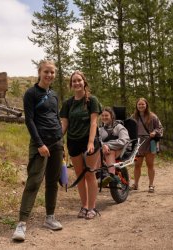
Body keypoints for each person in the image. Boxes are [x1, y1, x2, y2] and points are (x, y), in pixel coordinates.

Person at [12, 60, 64, 241]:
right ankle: (22, 224)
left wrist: (61, 142)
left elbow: (56, 117)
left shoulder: (54, 95)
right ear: (40, 72)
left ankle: (50, 218)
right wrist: (40, 144)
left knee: (52, 181)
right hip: (39, 144)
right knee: (34, 182)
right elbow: (29, 121)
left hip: (57, 143)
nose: (49, 75)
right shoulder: (31, 93)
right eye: (46, 72)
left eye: (52, 72)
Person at [60, 70, 102, 220]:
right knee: (79, 176)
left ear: (84, 82)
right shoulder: (67, 104)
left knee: (90, 174)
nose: (77, 83)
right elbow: (64, 125)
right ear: (71, 85)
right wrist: (58, 139)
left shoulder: (92, 101)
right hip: (73, 142)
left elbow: (94, 122)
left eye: (79, 80)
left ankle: (92, 207)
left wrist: (91, 142)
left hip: (89, 141)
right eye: (74, 81)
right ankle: (84, 206)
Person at [130, 97, 163, 193]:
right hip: (138, 143)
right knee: (137, 165)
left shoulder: (153, 116)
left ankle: (151, 185)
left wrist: (154, 132)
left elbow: (160, 128)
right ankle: (135, 184)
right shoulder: (133, 117)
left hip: (151, 143)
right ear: (137, 106)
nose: (141, 106)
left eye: (142, 104)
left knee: (150, 165)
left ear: (146, 105)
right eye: (139, 104)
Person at [99, 107, 130, 185]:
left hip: (120, 149)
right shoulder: (100, 129)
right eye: (102, 116)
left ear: (111, 116)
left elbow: (124, 140)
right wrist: (103, 146)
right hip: (104, 150)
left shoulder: (119, 127)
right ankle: (99, 174)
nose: (104, 117)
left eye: (106, 115)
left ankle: (111, 176)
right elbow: (98, 141)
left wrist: (107, 145)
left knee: (109, 152)